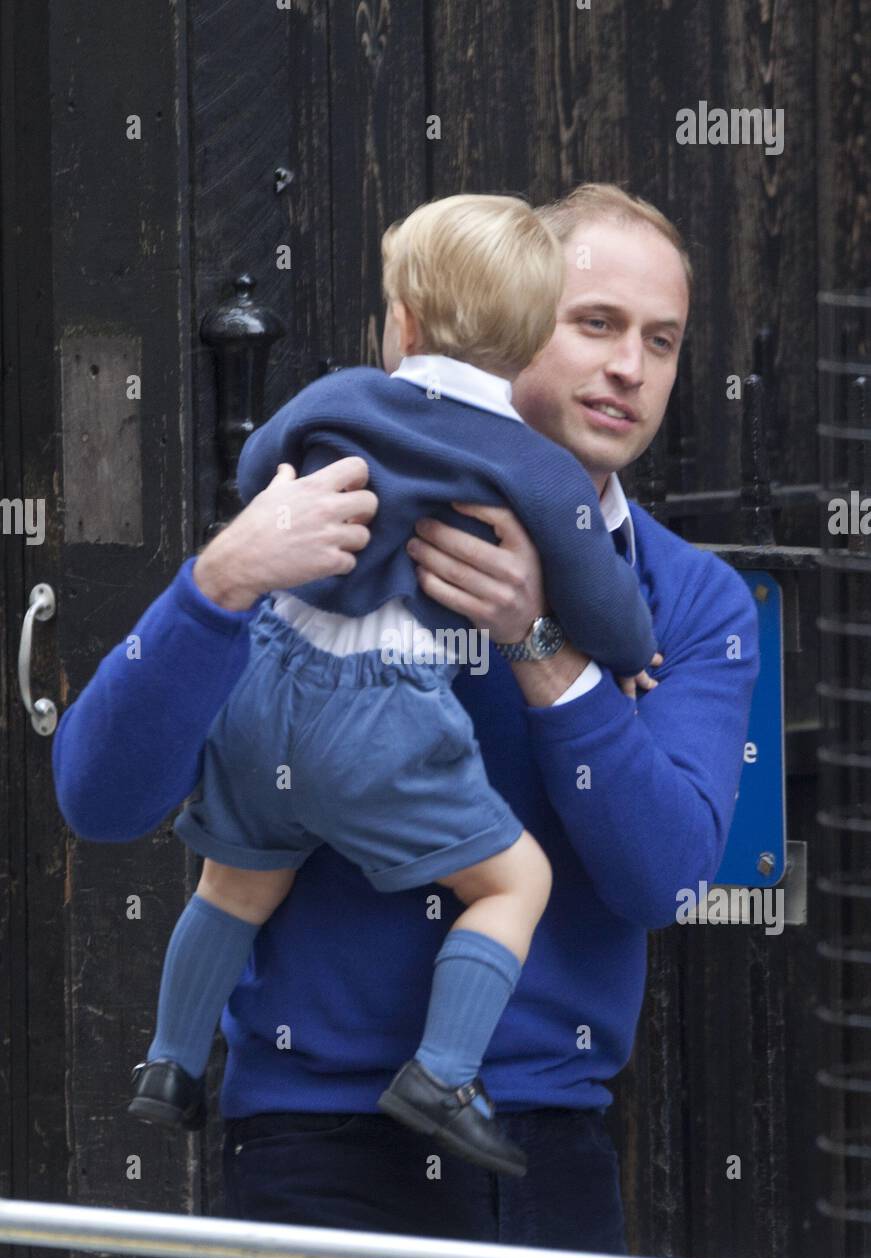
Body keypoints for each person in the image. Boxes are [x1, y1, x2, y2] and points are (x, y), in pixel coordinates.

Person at [51, 183, 758, 1258]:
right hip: (315, 1153)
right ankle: (175, 1061)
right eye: (594, 323)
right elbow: (97, 796)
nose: (628, 365)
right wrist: (222, 576)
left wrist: (540, 645)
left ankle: (174, 1057)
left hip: (550, 1158)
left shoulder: (693, 599)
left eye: (660, 340)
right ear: (518, 319)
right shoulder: (319, 528)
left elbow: (661, 875)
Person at [126, 194, 659, 1182]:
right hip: (375, 704)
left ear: (402, 324)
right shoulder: (528, 465)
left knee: (236, 881)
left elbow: (255, 470)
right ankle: (440, 1075)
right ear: (534, 339)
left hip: (267, 674)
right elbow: (598, 588)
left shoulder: (335, 398)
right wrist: (624, 645)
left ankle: (166, 1061)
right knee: (513, 880)